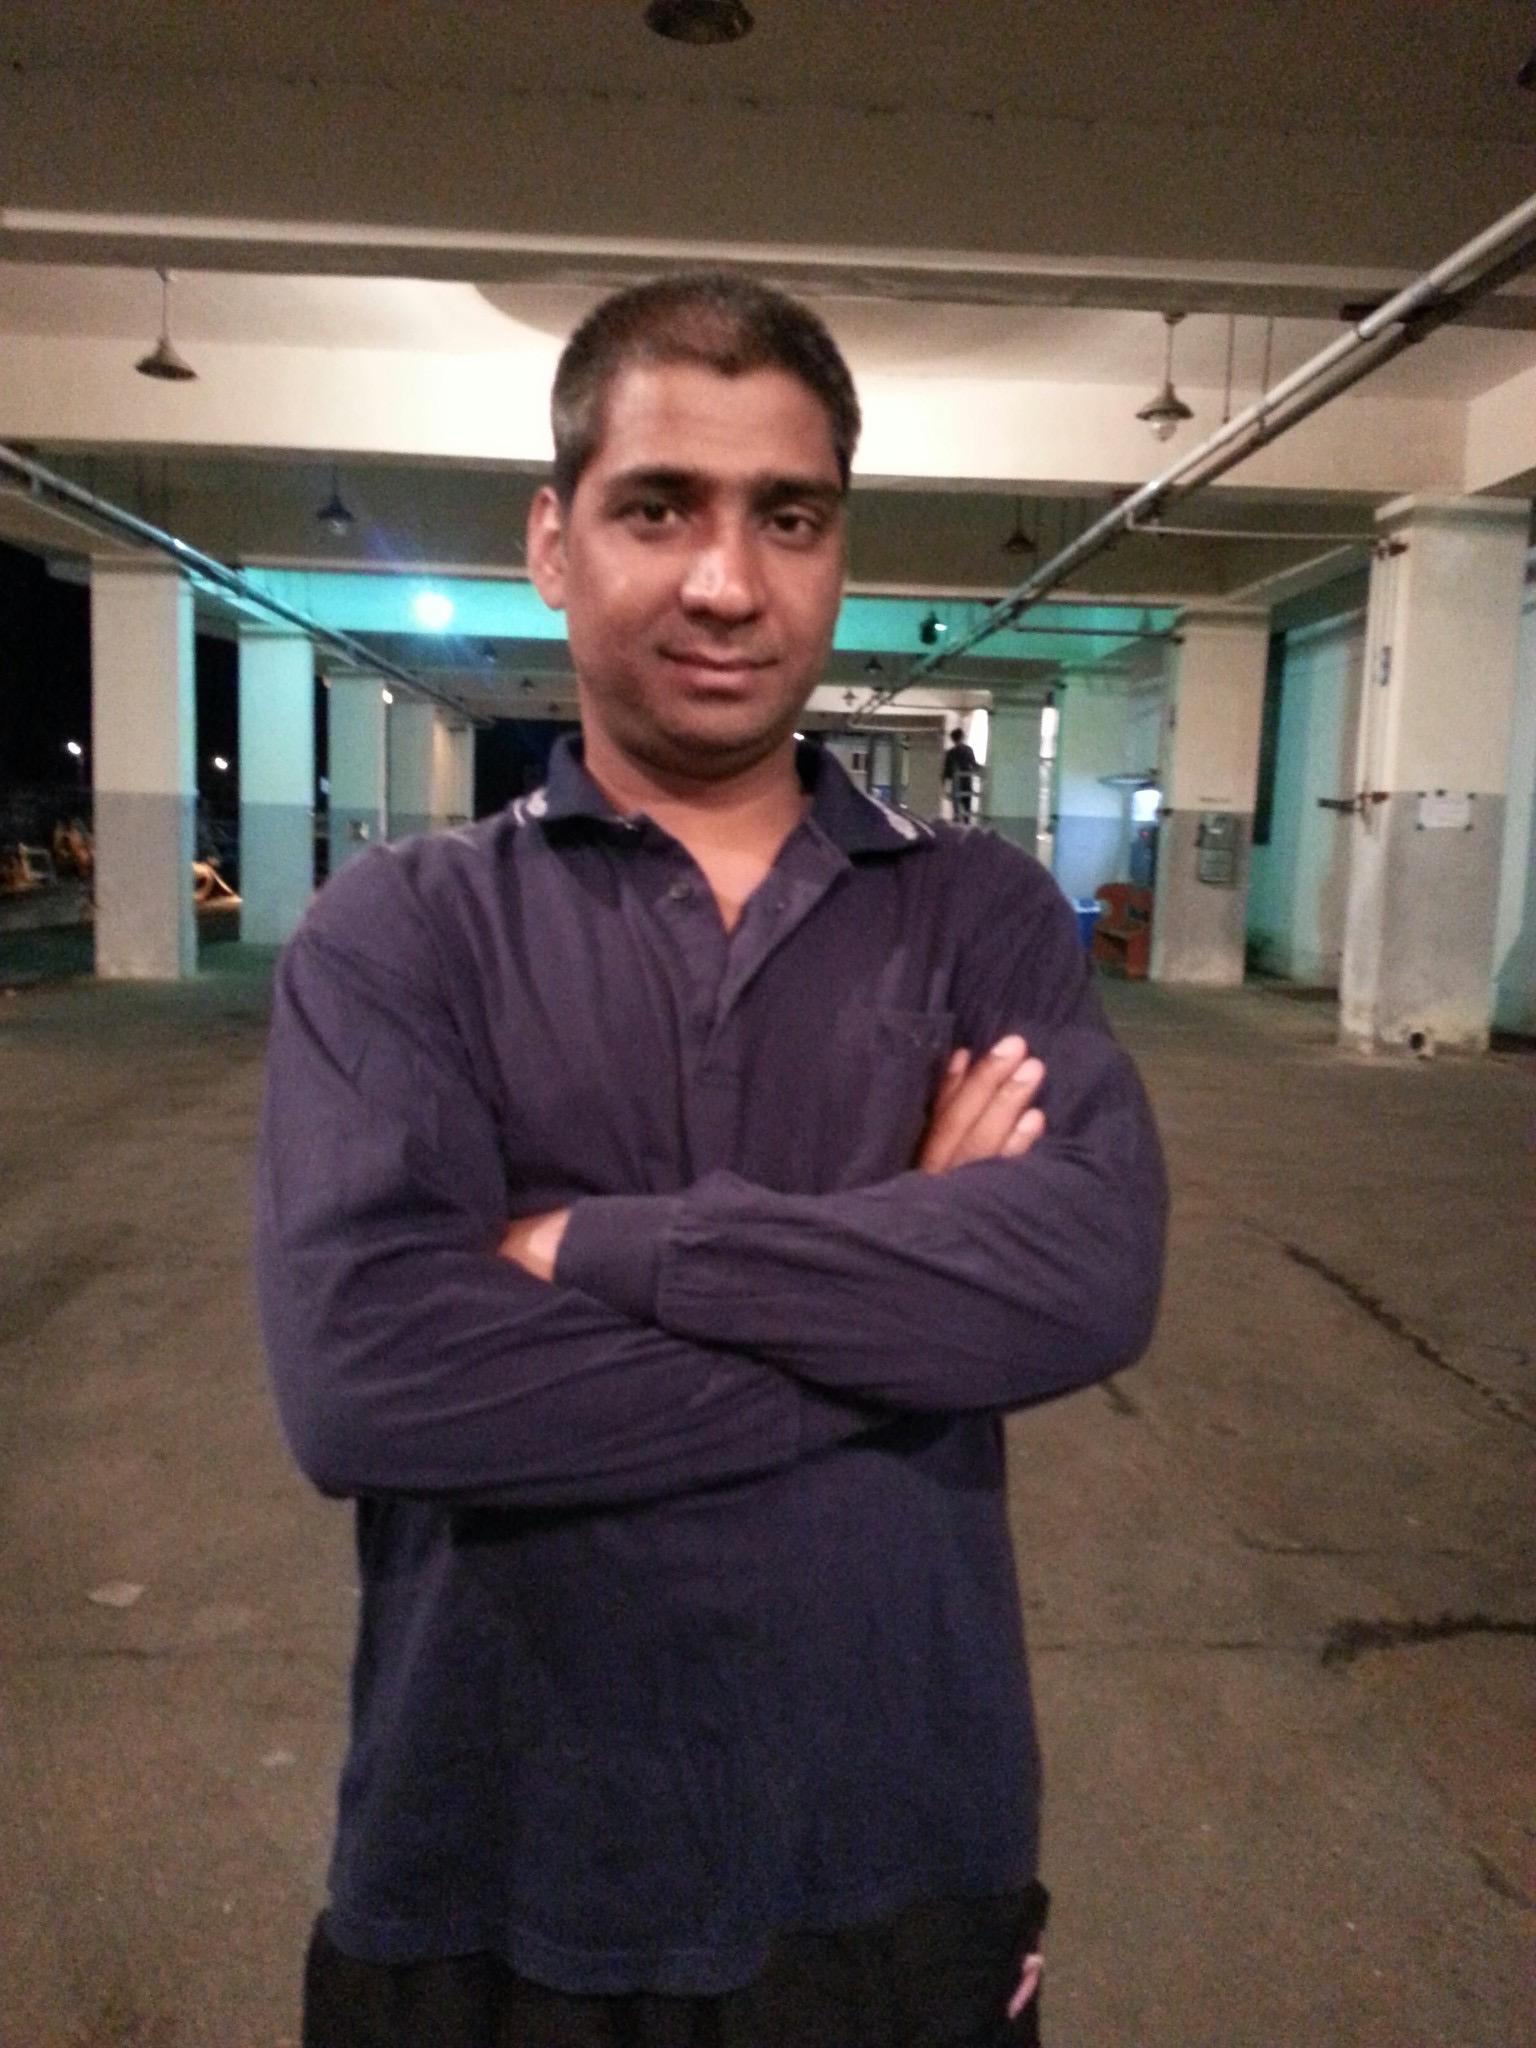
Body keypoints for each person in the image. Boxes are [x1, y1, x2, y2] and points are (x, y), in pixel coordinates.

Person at [256, 271, 1167, 2048]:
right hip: (495, 1867)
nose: (728, 581)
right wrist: (908, 1275)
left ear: (838, 549)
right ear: (553, 541)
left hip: (893, 1863)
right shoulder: (403, 931)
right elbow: (371, 1380)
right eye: (659, 507)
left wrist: (600, 1251)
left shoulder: (978, 912)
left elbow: (1085, 1277)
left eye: (789, 517)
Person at [943, 725, 980, 823]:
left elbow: (947, 772)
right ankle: (966, 823)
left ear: (952, 739)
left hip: (956, 783)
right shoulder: (968, 750)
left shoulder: (950, 753)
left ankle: (957, 823)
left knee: (956, 809)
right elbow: (973, 765)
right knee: (967, 808)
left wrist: (945, 786)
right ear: (962, 737)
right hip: (966, 782)